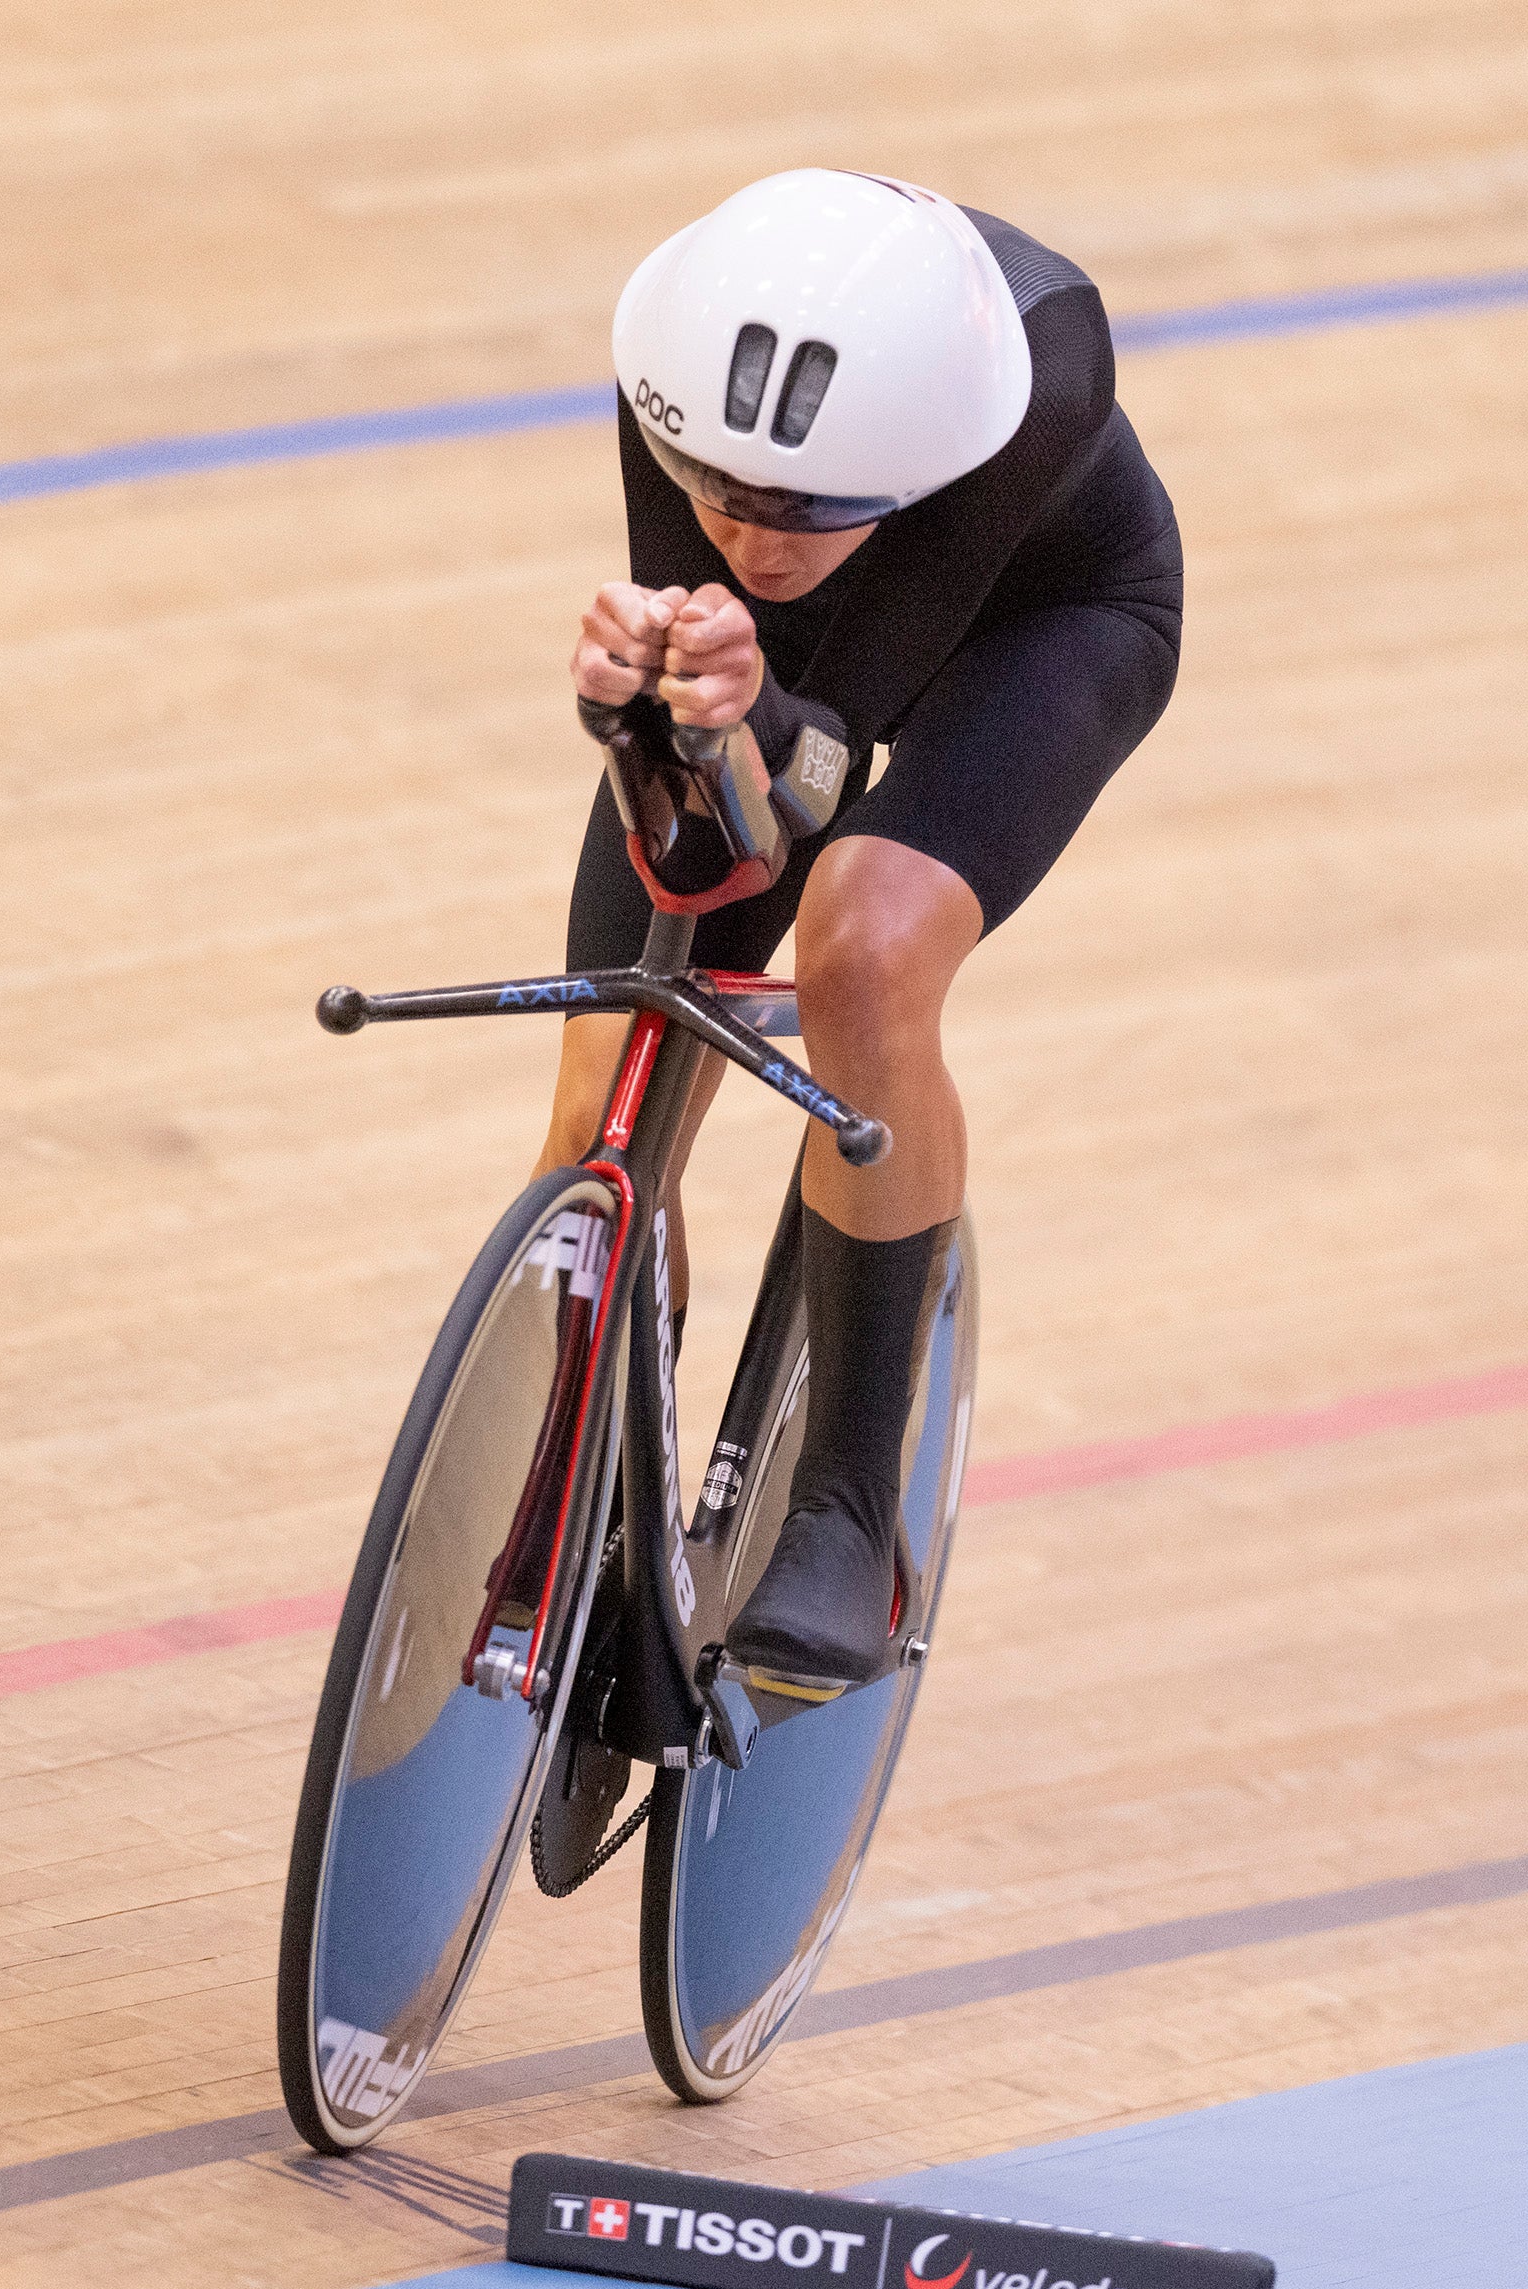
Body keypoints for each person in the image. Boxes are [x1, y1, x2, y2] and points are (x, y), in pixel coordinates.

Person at [535, 169, 1181, 1699]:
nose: (752, 543)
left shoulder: (1028, 396)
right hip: (803, 676)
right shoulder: (676, 370)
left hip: (1042, 631)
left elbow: (820, 784)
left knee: (863, 943)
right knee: (596, 1112)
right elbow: (708, 828)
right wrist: (636, 718)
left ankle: (842, 1503)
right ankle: (591, 1498)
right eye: (725, 499)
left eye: (802, 514)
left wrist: (739, 712)